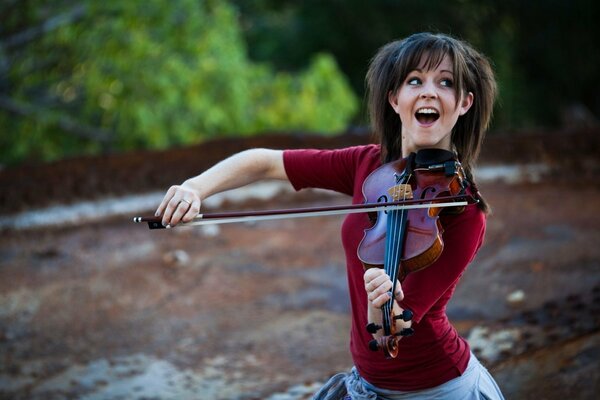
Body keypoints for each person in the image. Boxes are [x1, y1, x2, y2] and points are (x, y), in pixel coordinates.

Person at [155, 32, 504, 399]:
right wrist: (194, 187)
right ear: (394, 99)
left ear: (464, 103)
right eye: (414, 80)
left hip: (437, 389)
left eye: (445, 82)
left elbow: (390, 331)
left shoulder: (463, 212)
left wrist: (379, 303)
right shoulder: (369, 166)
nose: (428, 91)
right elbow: (266, 163)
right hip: (368, 381)